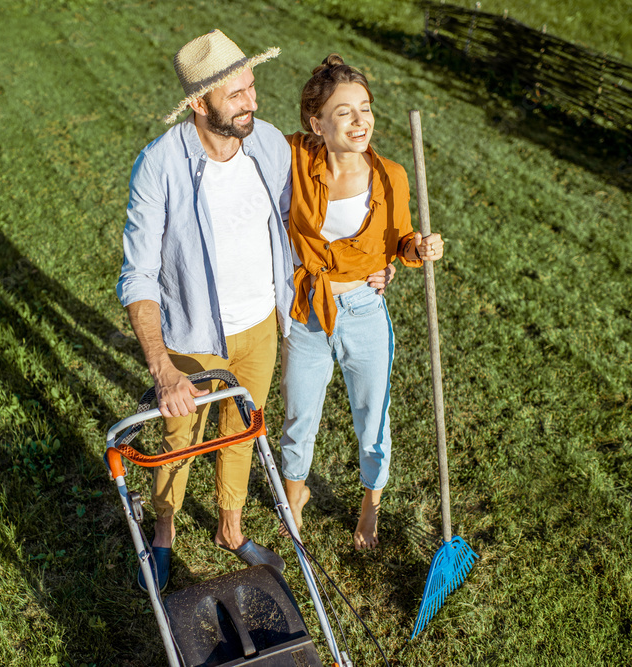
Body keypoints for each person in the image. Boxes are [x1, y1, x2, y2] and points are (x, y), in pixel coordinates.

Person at [116, 29, 296, 592]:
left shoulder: (268, 143)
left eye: (251, 87)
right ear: (199, 104)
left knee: (243, 431)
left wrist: (372, 264)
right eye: (237, 94)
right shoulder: (160, 166)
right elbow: (139, 275)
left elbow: (299, 226)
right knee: (179, 441)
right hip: (192, 335)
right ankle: (164, 533)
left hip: (260, 326)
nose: (253, 102)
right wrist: (163, 370)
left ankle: (231, 527)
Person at [279, 54, 445, 551]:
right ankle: (294, 498)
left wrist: (420, 248)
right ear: (317, 123)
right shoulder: (291, 157)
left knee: (373, 414)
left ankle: (369, 508)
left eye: (366, 108)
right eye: (345, 112)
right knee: (298, 413)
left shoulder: (390, 175)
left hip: (364, 310)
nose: (360, 121)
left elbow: (400, 240)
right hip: (307, 310)